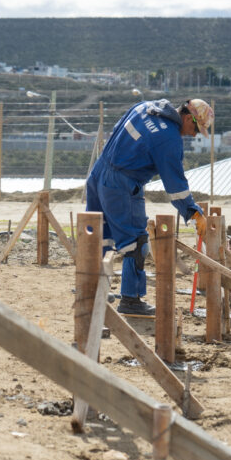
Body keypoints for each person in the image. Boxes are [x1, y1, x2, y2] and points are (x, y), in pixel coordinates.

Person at [86, 98, 214, 316]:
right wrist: (192, 212)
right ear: (186, 117)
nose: (193, 135)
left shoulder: (146, 107)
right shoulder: (169, 139)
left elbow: (117, 130)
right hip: (122, 184)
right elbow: (175, 185)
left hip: (100, 173)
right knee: (135, 243)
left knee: (100, 234)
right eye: (195, 128)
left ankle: (94, 289)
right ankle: (131, 300)